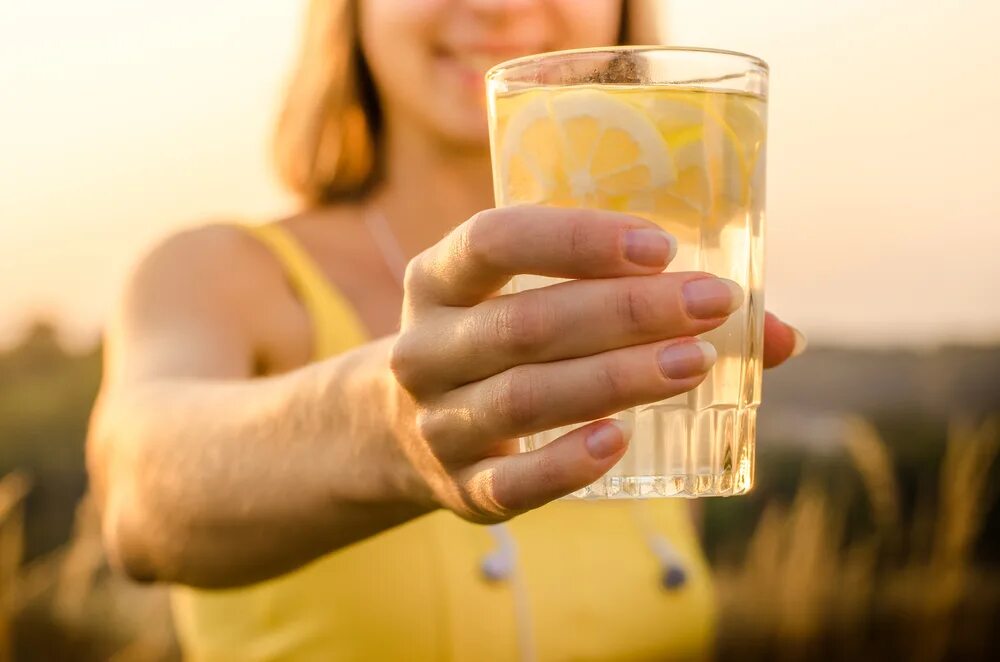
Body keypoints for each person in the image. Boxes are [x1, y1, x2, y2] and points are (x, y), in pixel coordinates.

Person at [87, 0, 804, 659]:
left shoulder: (651, 315)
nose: (497, 7)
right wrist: (396, 424)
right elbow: (139, 497)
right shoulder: (219, 271)